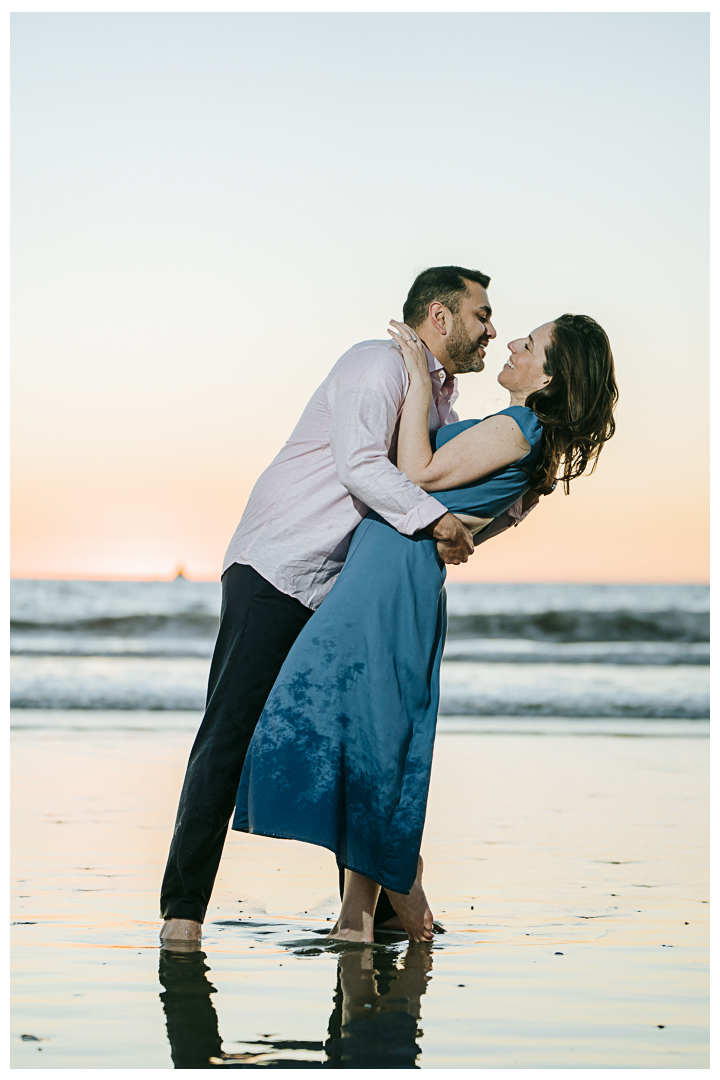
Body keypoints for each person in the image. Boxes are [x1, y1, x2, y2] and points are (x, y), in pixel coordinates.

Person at [160, 266, 533, 945]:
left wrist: (499, 507)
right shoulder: (376, 365)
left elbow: (436, 485)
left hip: (344, 586)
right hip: (281, 566)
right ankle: (181, 918)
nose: (492, 330)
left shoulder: (440, 403)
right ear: (441, 318)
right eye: (482, 315)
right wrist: (435, 522)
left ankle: (365, 918)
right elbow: (363, 464)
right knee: (229, 736)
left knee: (356, 744)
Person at [232, 313, 618, 943]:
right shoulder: (530, 443)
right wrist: (446, 528)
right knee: (373, 739)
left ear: (550, 375)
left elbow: (414, 472)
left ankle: (382, 919)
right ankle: (380, 921)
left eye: (533, 343)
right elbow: (465, 531)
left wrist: (414, 375)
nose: (515, 342)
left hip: (386, 582)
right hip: (398, 574)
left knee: (368, 738)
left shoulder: (515, 427)